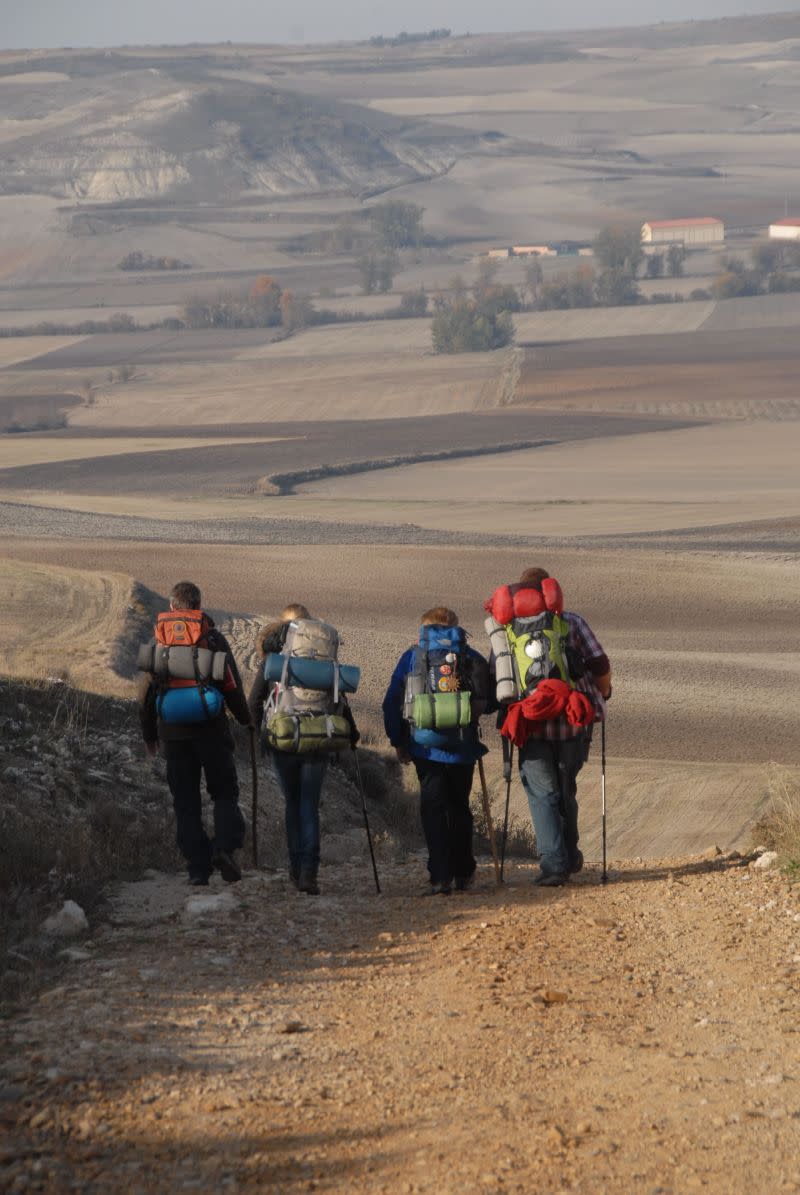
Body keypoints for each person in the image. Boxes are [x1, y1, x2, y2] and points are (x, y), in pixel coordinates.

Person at [487, 567, 611, 887]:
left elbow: (498, 678)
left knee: (543, 793)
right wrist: (604, 692)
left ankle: (555, 865)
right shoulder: (571, 621)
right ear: (547, 591)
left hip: (530, 723)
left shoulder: (507, 629)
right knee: (565, 787)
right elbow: (599, 663)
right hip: (572, 721)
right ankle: (569, 855)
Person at [139, 580, 252, 886]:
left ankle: (198, 870)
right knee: (224, 793)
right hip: (211, 729)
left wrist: (150, 734)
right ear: (199, 606)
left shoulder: (159, 642)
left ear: (172, 608)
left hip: (173, 733)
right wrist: (245, 719)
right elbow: (231, 685)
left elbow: (149, 693)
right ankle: (225, 849)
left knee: (185, 801)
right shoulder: (212, 638)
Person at [248, 604, 357, 895]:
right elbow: (341, 701)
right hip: (319, 740)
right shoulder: (324, 660)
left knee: (292, 804)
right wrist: (352, 737)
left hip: (283, 740)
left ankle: (296, 868)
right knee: (309, 805)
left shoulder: (274, 659)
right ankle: (309, 870)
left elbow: (255, 700)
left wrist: (259, 736)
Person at [383, 606, 491, 895]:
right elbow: (488, 700)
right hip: (463, 748)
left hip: (425, 747)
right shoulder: (470, 656)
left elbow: (392, 702)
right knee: (459, 808)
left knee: (433, 809)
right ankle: (464, 873)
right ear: (455, 627)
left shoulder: (412, 657)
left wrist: (399, 742)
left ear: (424, 629)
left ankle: (439, 876)